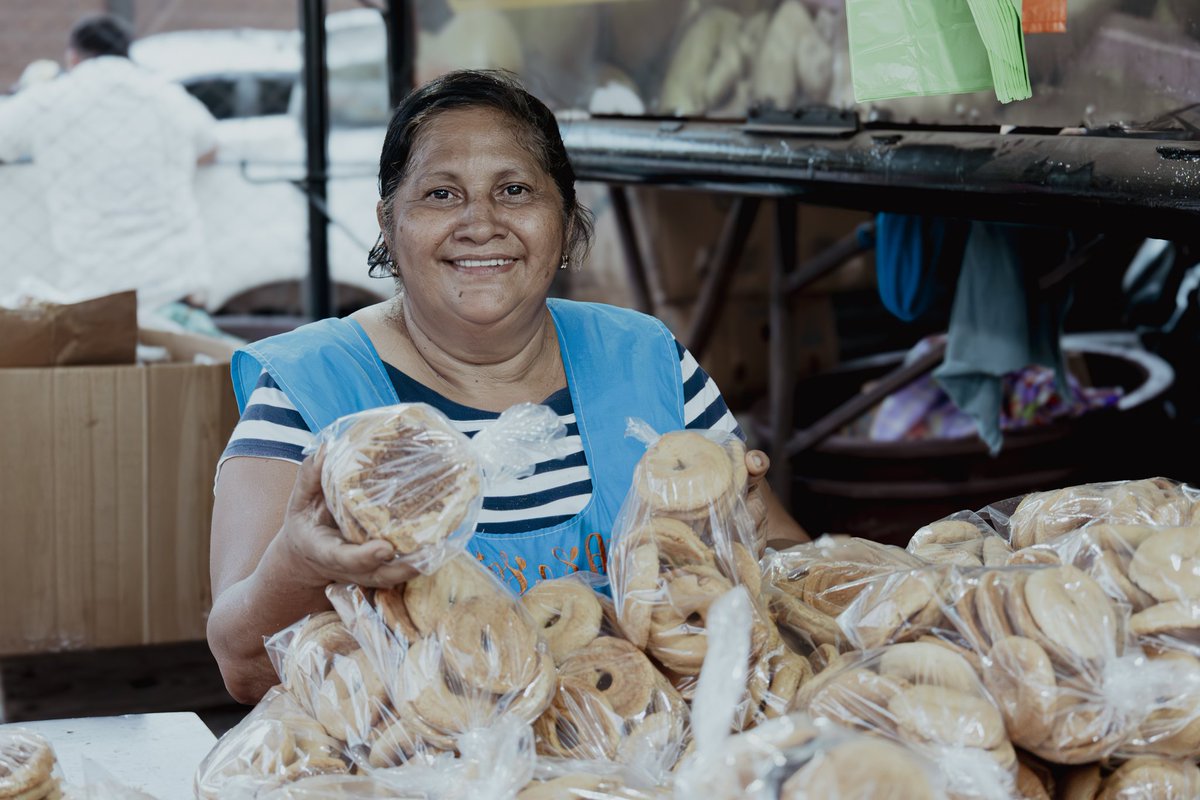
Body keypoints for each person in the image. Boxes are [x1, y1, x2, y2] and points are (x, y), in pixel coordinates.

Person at [207, 69, 809, 704]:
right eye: (441, 194)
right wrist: (302, 566)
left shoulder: (647, 360)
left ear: (567, 220)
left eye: (515, 190)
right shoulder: (310, 391)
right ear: (388, 223)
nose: (479, 223)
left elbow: (791, 574)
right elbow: (243, 667)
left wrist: (739, 545)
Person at [0, 13, 217, 319]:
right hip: (176, 284)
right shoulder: (166, 95)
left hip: (95, 291)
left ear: (73, 56)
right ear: (127, 52)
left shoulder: (48, 99)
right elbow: (210, 145)